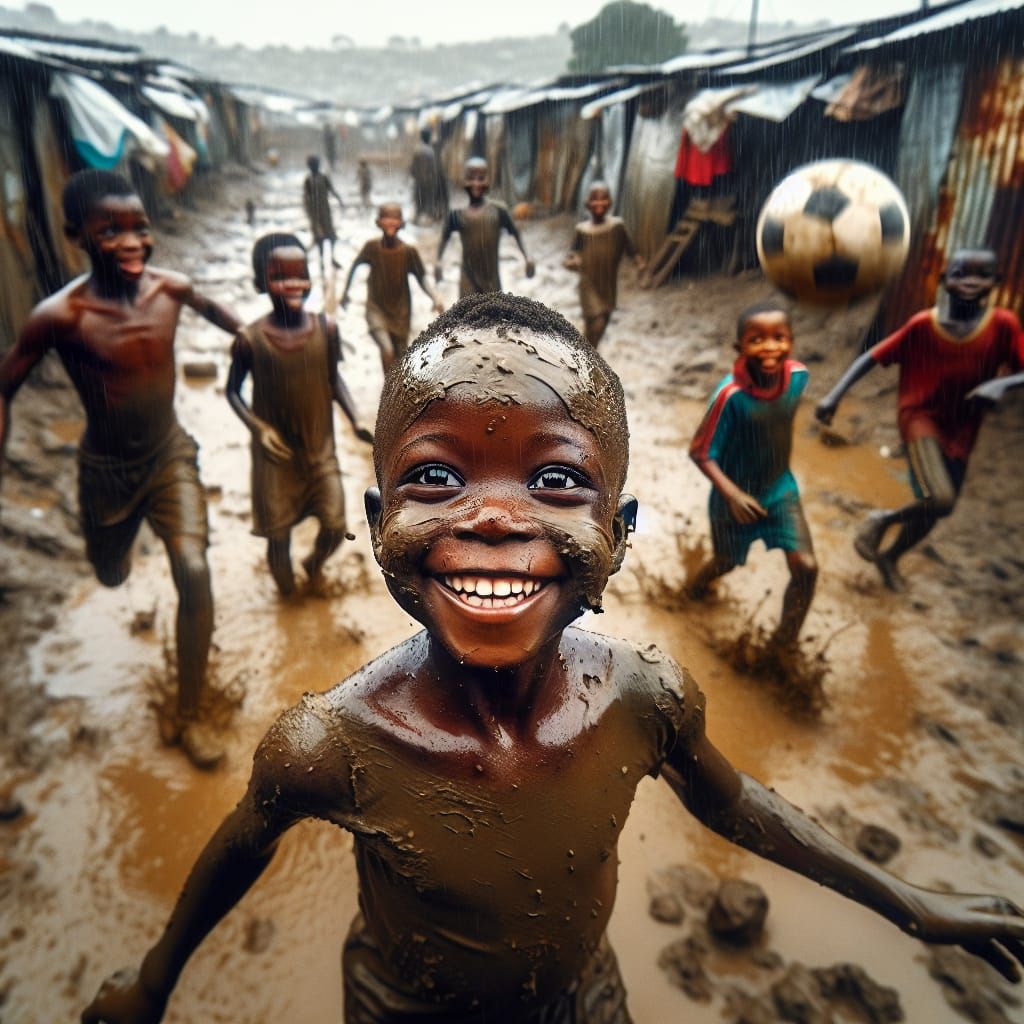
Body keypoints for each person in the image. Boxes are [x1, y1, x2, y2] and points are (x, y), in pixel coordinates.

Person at [82, 293, 1024, 1024]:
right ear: (377, 523)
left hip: (580, 998)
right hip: (400, 1009)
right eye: (436, 476)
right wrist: (153, 982)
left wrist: (907, 900)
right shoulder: (331, 745)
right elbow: (239, 847)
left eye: (557, 479)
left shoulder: (644, 698)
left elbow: (733, 804)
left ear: (617, 533)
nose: (495, 517)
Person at [0, 170, 241, 769]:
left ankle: (189, 712)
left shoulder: (171, 290)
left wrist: (264, 346)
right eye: (111, 231)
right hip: (106, 471)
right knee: (110, 574)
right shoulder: (59, 316)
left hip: (169, 455)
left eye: (140, 227)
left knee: (193, 568)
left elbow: (229, 319)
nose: (132, 242)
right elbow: (5, 387)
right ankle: (118, 551)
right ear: (76, 236)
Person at [816, 248, 1024, 591]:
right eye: (961, 274)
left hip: (963, 426)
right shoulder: (923, 325)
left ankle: (890, 557)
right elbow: (872, 356)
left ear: (996, 282)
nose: (971, 282)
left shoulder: (1003, 325)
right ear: (944, 280)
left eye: (982, 275)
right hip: (919, 417)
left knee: (938, 508)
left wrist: (1001, 383)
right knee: (940, 498)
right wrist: (833, 396)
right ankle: (881, 519)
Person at [227, 233, 373, 597]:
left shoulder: (327, 329)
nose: (294, 285)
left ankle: (313, 565)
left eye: (300, 275)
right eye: (281, 277)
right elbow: (232, 391)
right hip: (275, 457)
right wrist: (257, 428)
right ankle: (288, 597)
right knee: (277, 538)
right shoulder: (249, 340)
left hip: (320, 450)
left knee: (335, 526)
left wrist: (355, 418)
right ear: (260, 283)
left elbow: (333, 380)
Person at [687, 301, 816, 647]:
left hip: (780, 491)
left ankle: (782, 648)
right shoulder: (730, 396)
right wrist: (733, 495)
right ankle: (690, 593)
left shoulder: (798, 378)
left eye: (779, 338)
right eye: (757, 340)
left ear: (791, 341)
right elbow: (700, 452)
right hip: (733, 498)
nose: (770, 347)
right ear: (739, 347)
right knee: (726, 562)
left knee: (806, 567)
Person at [341, 202, 444, 373]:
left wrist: (434, 297)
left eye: (394, 219)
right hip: (376, 308)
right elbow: (355, 265)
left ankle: (395, 386)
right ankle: (389, 387)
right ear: (379, 222)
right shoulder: (371, 248)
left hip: (401, 312)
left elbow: (421, 277)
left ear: (401, 223)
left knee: (400, 358)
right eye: (386, 218)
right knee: (387, 349)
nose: (390, 223)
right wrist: (345, 293)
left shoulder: (408, 251)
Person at [436, 157, 534, 297]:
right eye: (471, 178)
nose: (476, 183)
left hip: (491, 280)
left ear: (487, 181)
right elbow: (444, 238)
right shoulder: (457, 215)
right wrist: (438, 262)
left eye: (481, 178)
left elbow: (515, 233)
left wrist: (527, 257)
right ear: (464, 181)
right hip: (468, 280)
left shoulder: (498, 211)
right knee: (467, 309)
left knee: (494, 309)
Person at [564, 181, 644, 347]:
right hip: (588, 283)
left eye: (603, 199)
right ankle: (586, 353)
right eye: (594, 199)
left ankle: (583, 352)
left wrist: (639, 262)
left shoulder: (617, 227)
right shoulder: (582, 230)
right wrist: (573, 261)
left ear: (610, 202)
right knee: (597, 321)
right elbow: (571, 255)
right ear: (588, 203)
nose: (599, 203)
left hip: (607, 285)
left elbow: (630, 249)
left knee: (599, 324)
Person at [302, 154, 344, 276]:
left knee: (331, 236)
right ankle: (321, 261)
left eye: (316, 164)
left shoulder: (323, 178)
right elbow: (306, 197)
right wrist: (309, 213)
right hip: (315, 214)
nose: (315, 166)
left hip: (325, 212)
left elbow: (331, 189)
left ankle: (332, 258)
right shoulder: (308, 181)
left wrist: (339, 200)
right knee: (319, 238)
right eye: (312, 165)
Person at [409, 126, 446, 224]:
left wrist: (415, 176)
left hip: (419, 181)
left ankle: (417, 218)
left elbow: (412, 168)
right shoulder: (430, 151)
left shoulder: (417, 149)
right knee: (428, 200)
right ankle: (427, 218)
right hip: (429, 181)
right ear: (427, 137)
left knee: (419, 200)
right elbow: (433, 168)